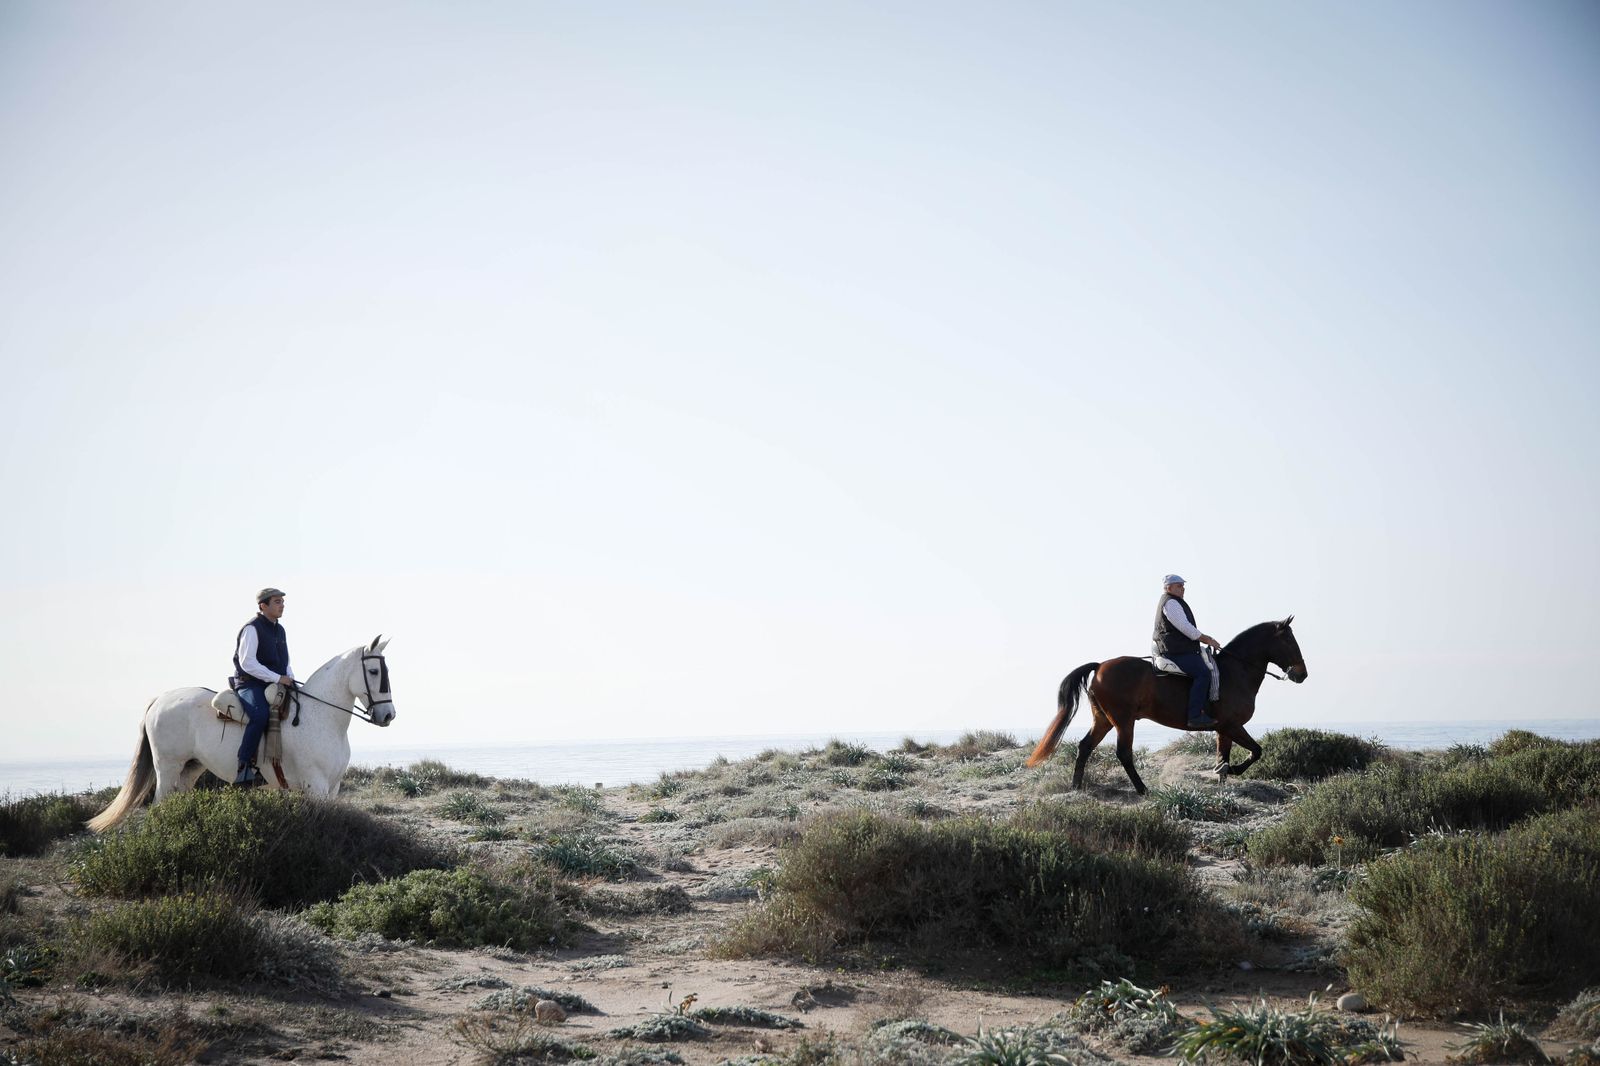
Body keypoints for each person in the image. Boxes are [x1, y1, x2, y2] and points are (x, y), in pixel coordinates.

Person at [229, 587, 295, 786]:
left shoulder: (280, 629)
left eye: (282, 601)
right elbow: (247, 662)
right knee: (260, 716)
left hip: (275, 681)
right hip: (250, 683)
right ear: (263, 606)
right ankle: (244, 767)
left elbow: (285, 661)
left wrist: (290, 677)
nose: (282, 605)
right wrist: (277, 678)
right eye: (277, 601)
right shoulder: (252, 628)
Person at [1153, 574, 1222, 728]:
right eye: (1179, 586)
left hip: (1178, 648)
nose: (1183, 588)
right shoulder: (1171, 603)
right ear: (1168, 588)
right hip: (1176, 651)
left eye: (1183, 586)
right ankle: (1195, 716)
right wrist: (1206, 639)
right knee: (1203, 673)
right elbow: (1184, 627)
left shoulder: (1173, 601)